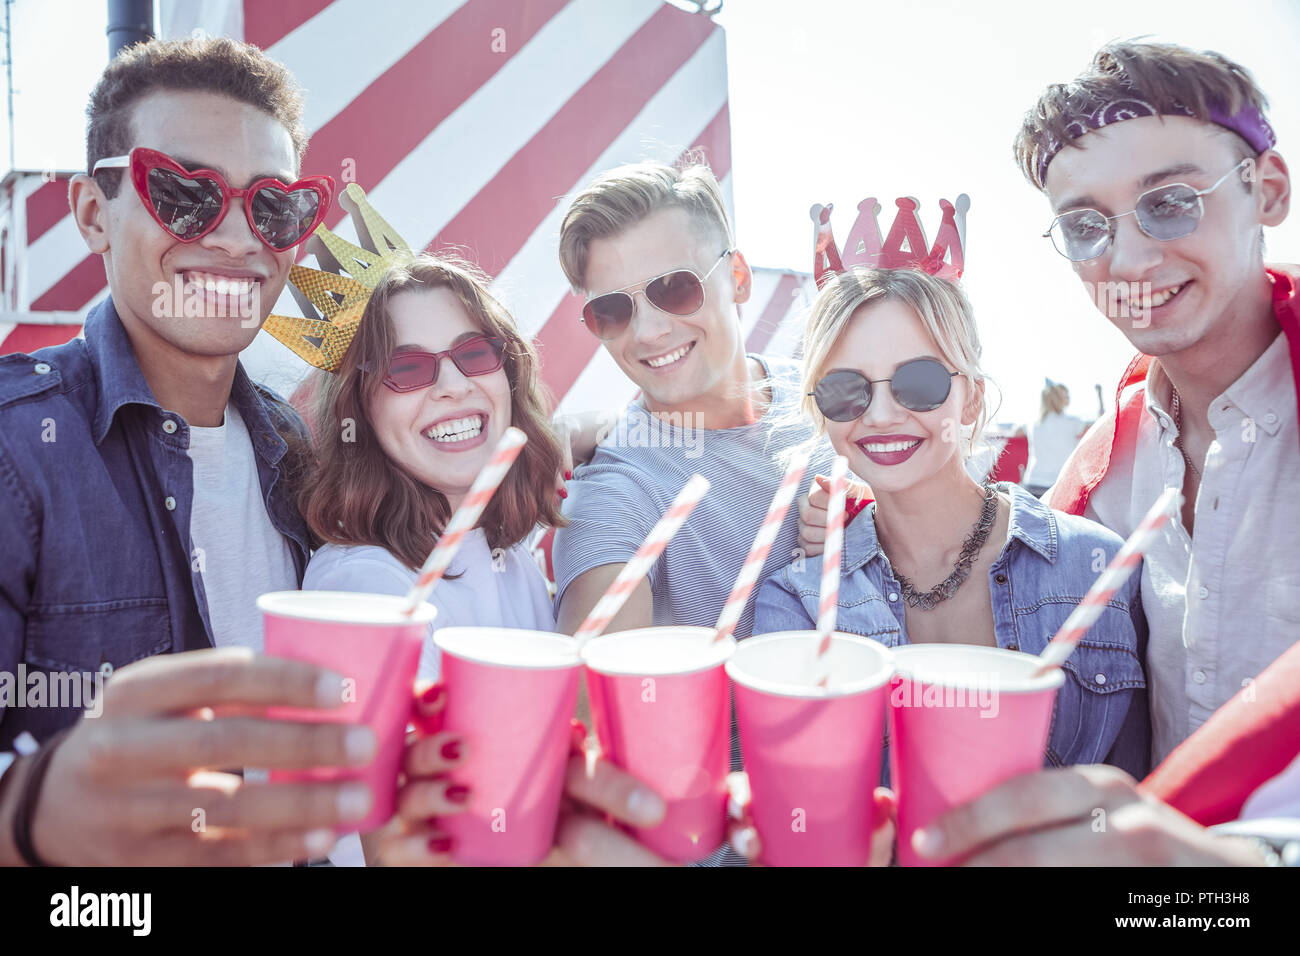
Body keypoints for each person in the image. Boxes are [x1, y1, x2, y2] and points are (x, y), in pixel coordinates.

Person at [910, 39, 1298, 865]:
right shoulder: (1099, 479)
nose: (1125, 259)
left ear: (1267, 190)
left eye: (1170, 203)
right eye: (1086, 226)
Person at [0, 36, 382, 865]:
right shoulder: (14, 449)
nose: (241, 240)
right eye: (183, 194)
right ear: (94, 213)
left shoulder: (298, 449)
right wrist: (30, 816)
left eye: (274, 207)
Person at [755, 266, 1149, 777]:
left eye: (918, 383)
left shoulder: (1098, 567)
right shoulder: (799, 604)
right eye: (845, 391)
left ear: (973, 400)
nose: (879, 416)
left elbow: (1141, 786)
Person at [299, 253, 566, 679]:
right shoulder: (366, 587)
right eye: (405, 368)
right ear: (358, 408)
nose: (455, 387)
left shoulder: (507, 555)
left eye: (475, 353)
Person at [1020, 379, 1088, 496]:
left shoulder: (1032, 424)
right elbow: (1099, 427)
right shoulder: (1073, 423)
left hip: (1032, 483)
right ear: (1059, 399)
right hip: (1059, 486)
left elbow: (1016, 432)